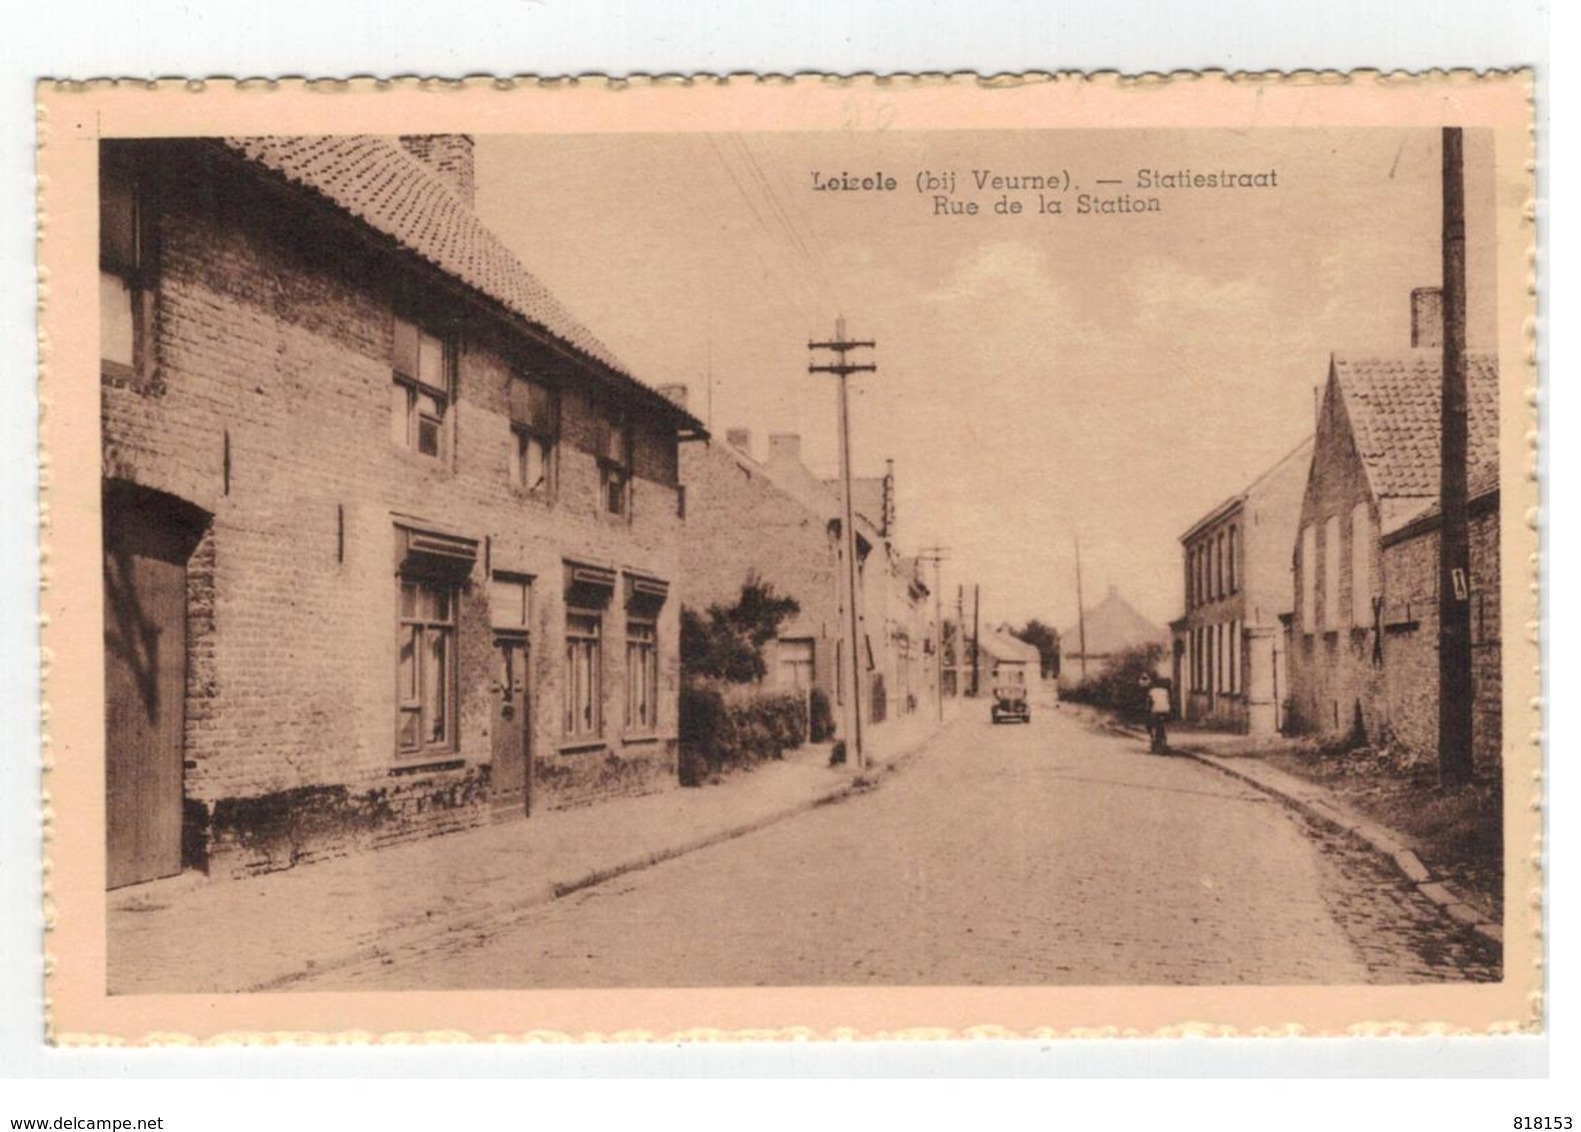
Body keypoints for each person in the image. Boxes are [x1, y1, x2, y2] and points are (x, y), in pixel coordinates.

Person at [1146, 678, 1171, 753]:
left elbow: (1148, 703)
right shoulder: (1165, 691)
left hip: (1156, 710)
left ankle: (1153, 739)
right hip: (1166, 710)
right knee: (1162, 724)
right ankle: (1164, 740)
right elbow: (1168, 700)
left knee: (1151, 724)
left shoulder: (1151, 691)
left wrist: (1147, 710)